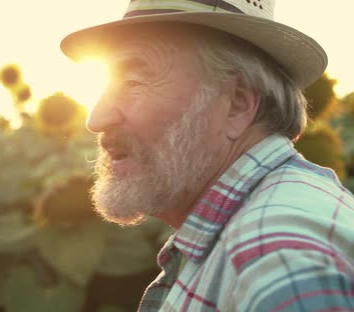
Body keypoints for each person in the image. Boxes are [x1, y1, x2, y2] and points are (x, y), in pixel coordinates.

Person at [60, 0, 354, 311]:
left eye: (134, 82)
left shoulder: (275, 261)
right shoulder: (252, 231)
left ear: (237, 105)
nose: (97, 119)